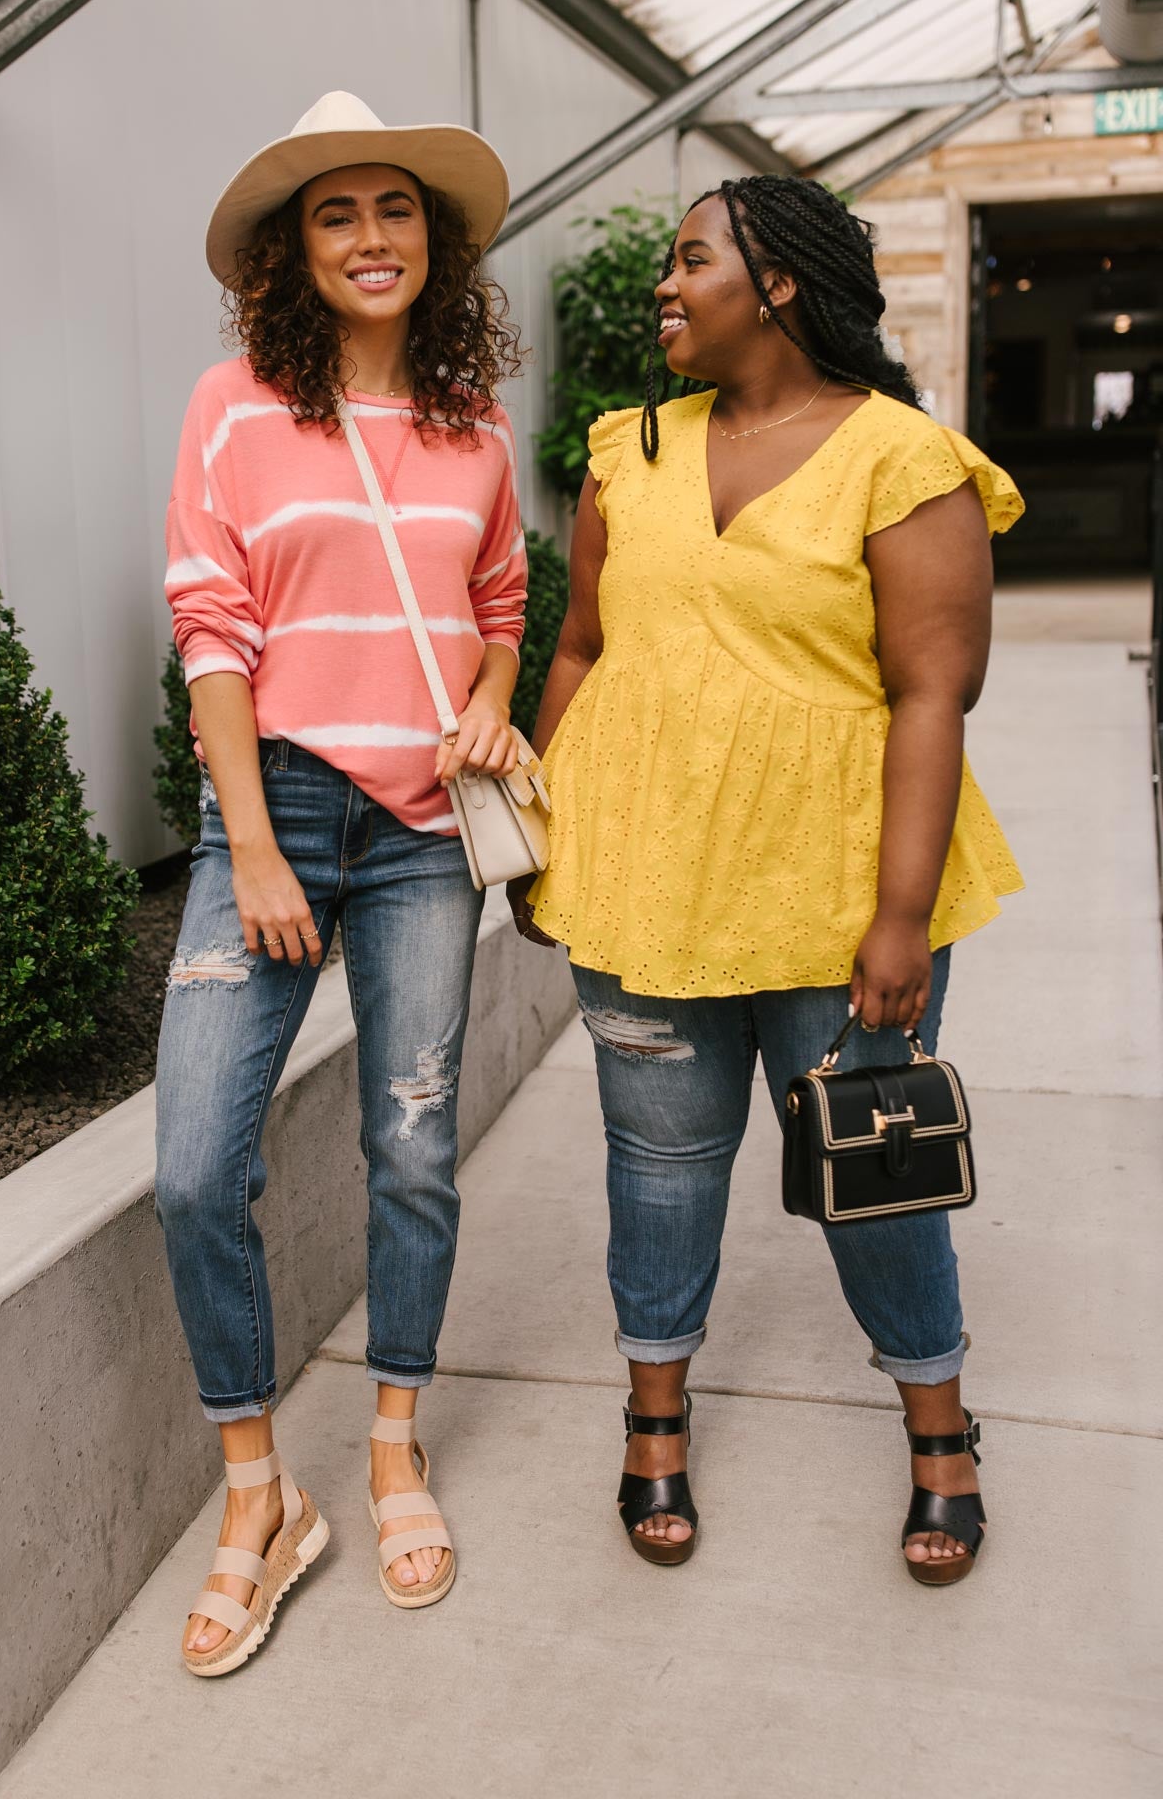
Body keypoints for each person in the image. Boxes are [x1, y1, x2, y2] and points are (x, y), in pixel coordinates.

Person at [510, 175, 1023, 1586]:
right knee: (661, 1173)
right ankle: (656, 1421)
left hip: (836, 892)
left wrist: (903, 917)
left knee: (880, 1176)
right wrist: (540, 826)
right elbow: (580, 650)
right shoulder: (633, 450)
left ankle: (941, 1432)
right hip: (645, 880)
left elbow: (934, 694)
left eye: (690, 262)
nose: (663, 288)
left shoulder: (901, 459)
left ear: (779, 282)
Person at [156, 92, 526, 1672]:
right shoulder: (232, 407)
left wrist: (501, 688)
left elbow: (501, 593)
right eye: (336, 214)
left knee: (413, 1147)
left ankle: (391, 1439)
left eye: (395, 210)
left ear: (431, 245)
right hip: (283, 810)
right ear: (289, 254)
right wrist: (246, 837)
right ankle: (260, 1494)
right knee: (191, 1166)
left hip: (430, 832)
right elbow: (210, 632)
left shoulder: (475, 430)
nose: (371, 238)